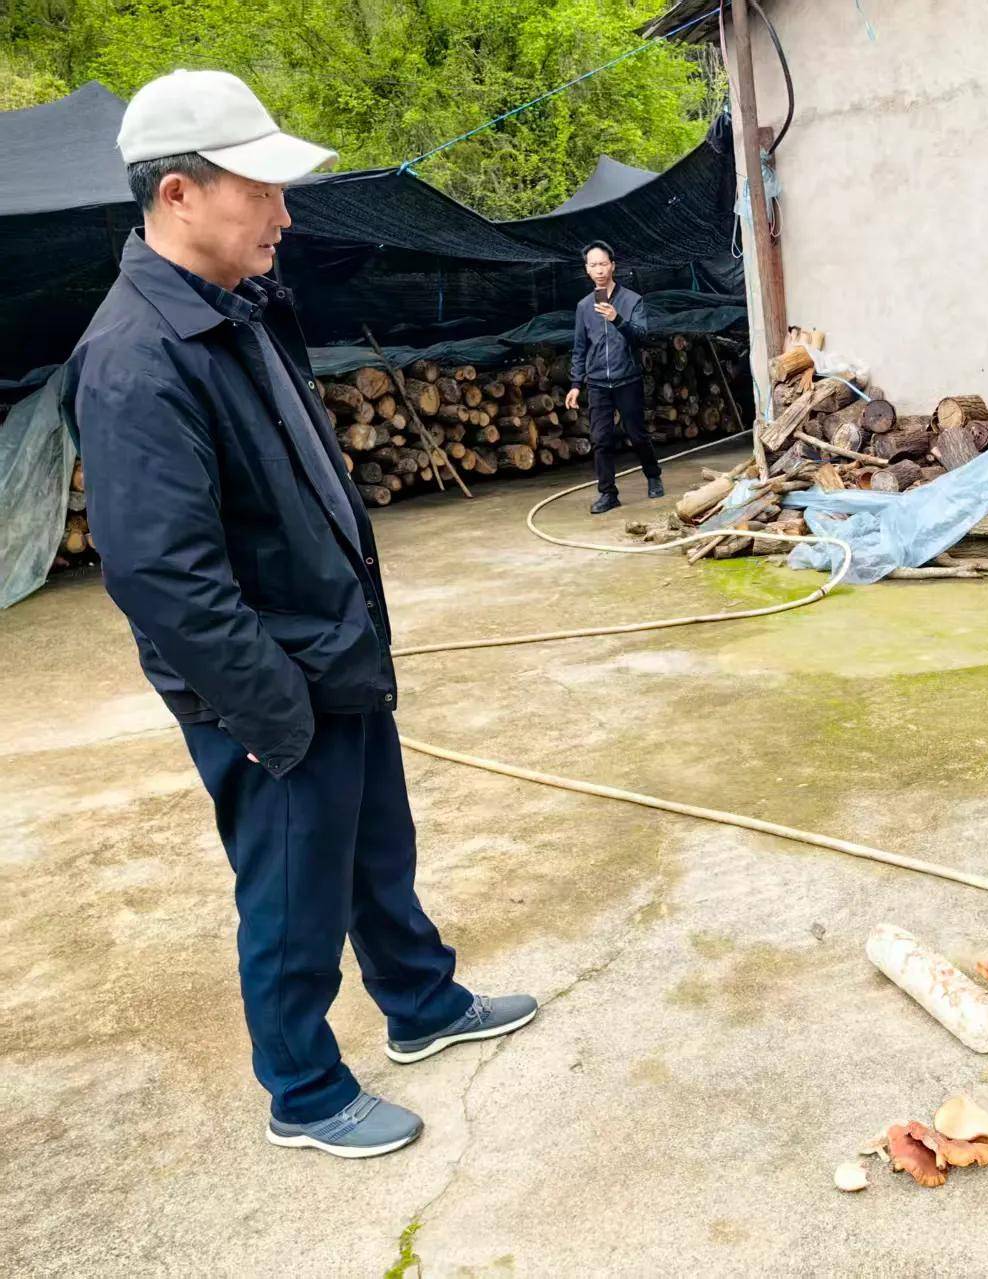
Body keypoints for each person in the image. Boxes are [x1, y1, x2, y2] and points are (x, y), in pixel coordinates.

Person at [64, 69, 537, 1159]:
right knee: (291, 889)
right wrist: (274, 711)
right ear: (178, 193)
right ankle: (306, 1090)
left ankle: (420, 1003)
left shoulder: (239, 306)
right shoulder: (136, 358)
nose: (283, 214)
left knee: (375, 849)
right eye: (260, 191)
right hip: (265, 683)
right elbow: (162, 575)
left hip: (333, 647)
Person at [566, 240, 665, 514]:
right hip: (598, 382)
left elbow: (642, 337)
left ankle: (653, 475)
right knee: (601, 439)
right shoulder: (584, 306)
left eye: (603, 264)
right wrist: (575, 384)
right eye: (593, 265)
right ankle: (608, 494)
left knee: (637, 434)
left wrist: (617, 319)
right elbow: (579, 348)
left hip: (627, 378)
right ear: (587, 269)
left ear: (613, 266)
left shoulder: (632, 300)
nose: (599, 270)